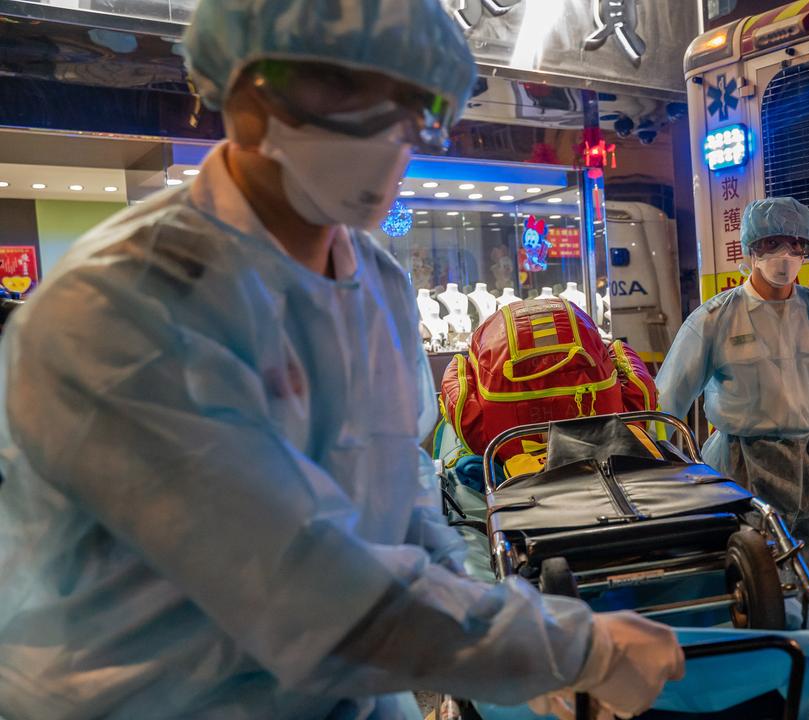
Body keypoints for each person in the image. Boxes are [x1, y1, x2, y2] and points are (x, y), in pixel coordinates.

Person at [0, 2, 682, 718]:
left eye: (414, 105)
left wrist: (497, 631)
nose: (386, 135)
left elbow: (401, 498)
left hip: (348, 691)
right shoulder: (122, 310)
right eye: (343, 95)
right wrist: (566, 649)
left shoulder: (373, 280)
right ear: (244, 91)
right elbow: (300, 590)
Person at [656, 196, 809, 624]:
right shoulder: (716, 319)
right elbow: (666, 406)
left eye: (797, 245)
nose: (786, 256)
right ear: (751, 249)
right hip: (740, 474)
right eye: (774, 243)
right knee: (752, 602)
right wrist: (670, 479)